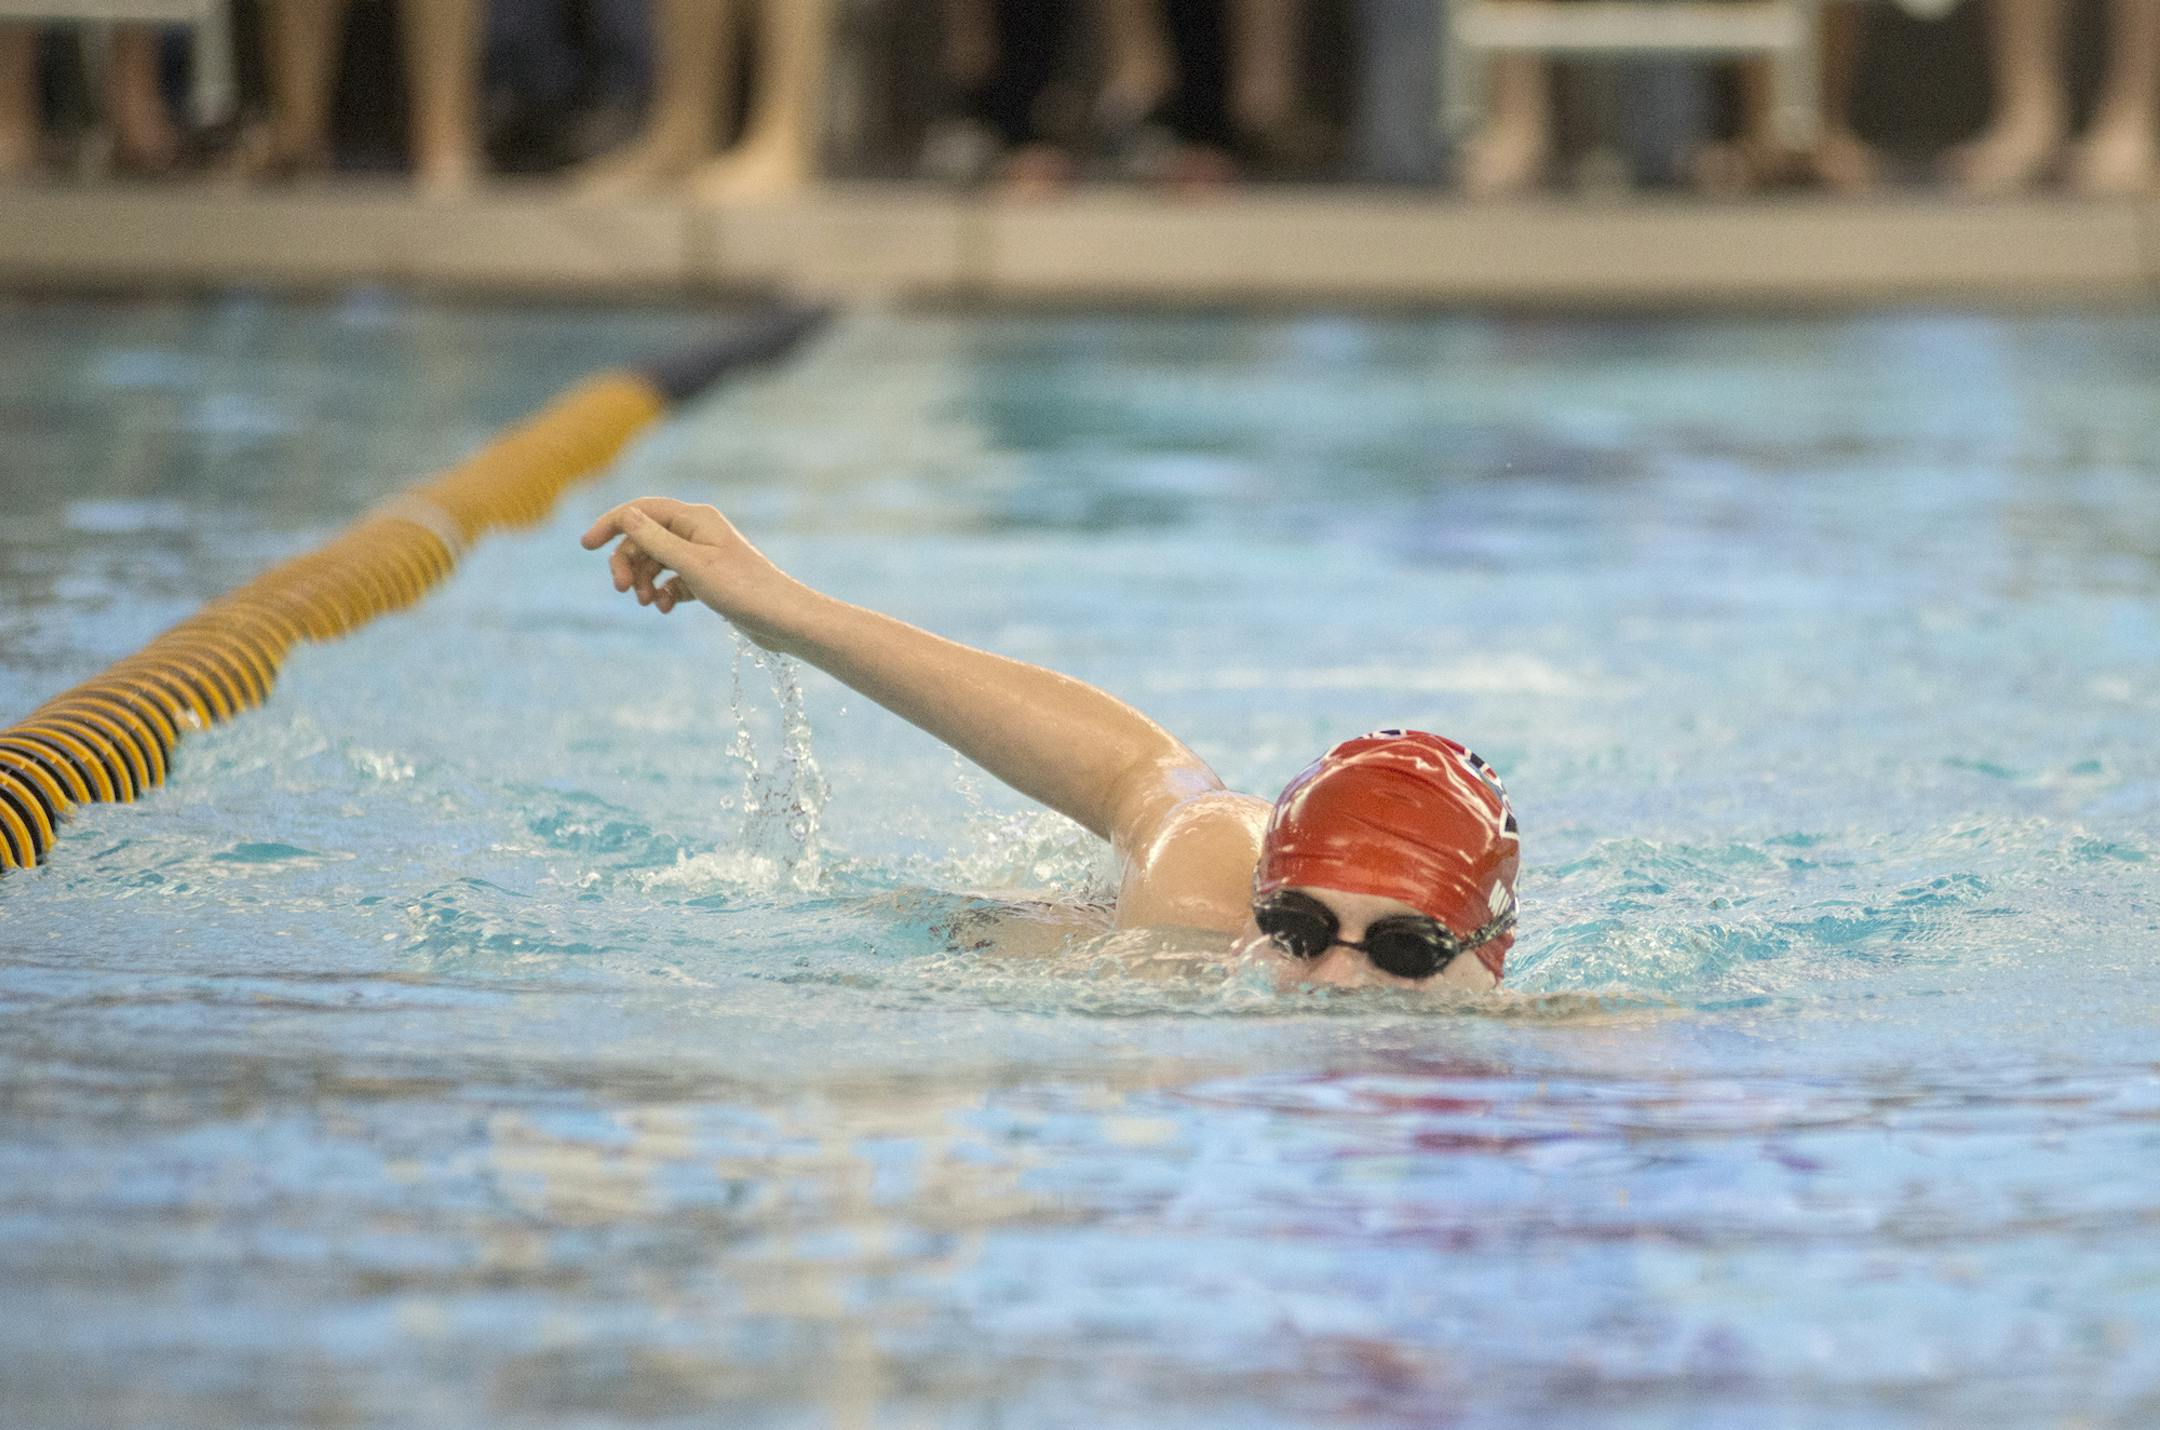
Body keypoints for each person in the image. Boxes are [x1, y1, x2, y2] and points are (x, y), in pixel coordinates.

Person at [582, 498, 1522, 992]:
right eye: (1300, 931)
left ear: (1488, 956)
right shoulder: (1207, 896)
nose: (1333, 980)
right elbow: (1133, 774)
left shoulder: (1555, 1050)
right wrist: (789, 612)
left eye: (1403, 952)